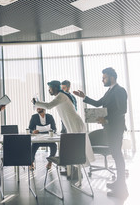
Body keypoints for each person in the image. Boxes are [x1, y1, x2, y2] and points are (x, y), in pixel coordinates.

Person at [74, 67, 128, 199]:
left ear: (112, 77)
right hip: (110, 128)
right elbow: (99, 103)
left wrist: (107, 119)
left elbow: (122, 110)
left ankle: (122, 187)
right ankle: (119, 183)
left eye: (104, 77)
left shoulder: (120, 90)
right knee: (115, 154)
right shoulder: (110, 91)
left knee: (117, 155)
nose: (102, 80)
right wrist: (84, 97)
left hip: (115, 128)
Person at [33, 80, 94, 167]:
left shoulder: (61, 96)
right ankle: (76, 172)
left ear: (54, 88)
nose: (49, 90)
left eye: (50, 88)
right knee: (76, 149)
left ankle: (78, 174)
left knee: (78, 150)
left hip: (74, 123)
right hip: (72, 123)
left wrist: (36, 103)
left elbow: (48, 106)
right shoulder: (59, 96)